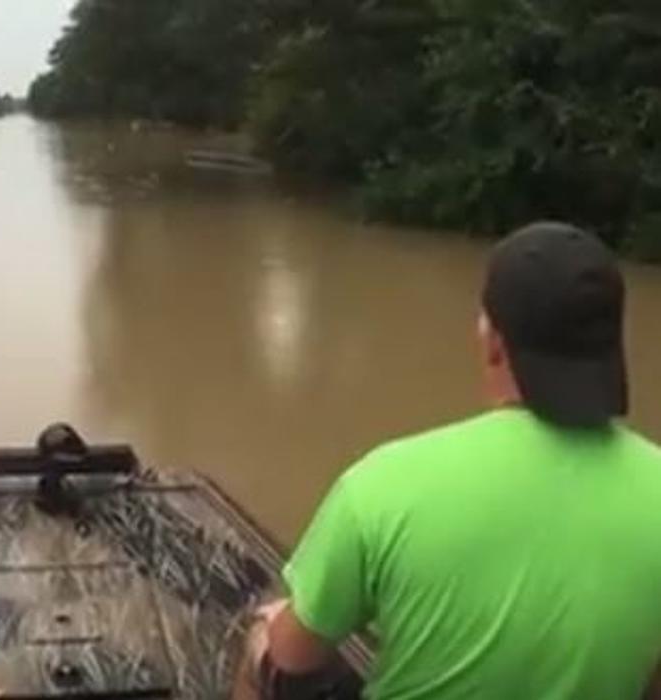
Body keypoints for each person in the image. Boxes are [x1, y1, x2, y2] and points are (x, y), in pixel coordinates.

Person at [235, 222, 661, 699]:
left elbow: (296, 657)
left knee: (265, 644)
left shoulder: (384, 483)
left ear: (493, 339)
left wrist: (271, 629)